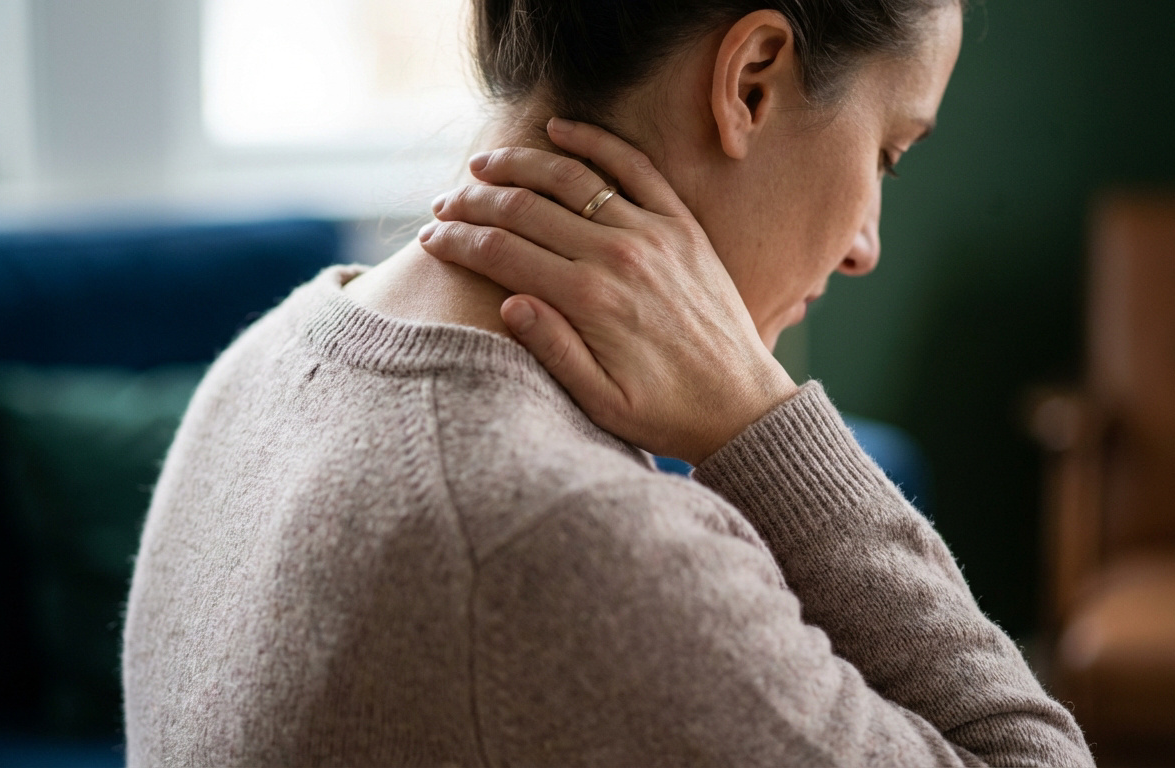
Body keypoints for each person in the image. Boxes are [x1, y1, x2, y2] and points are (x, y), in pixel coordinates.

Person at [122, 0, 1094, 765]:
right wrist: (765, 426)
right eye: (886, 150)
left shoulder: (268, 357)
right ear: (751, 81)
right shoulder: (567, 538)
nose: (863, 245)